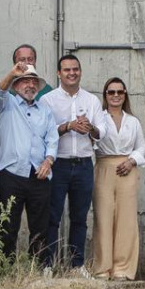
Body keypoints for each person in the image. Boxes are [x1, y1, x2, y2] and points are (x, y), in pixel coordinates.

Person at [0, 61, 57, 261]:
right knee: (8, 225)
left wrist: (48, 161)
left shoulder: (45, 110)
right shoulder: (7, 104)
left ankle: (37, 268)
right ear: (16, 85)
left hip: (38, 174)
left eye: (33, 82)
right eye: (24, 81)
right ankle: (6, 268)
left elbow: (52, 139)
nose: (30, 85)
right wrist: (12, 73)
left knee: (40, 227)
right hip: (12, 174)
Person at [42, 54, 102, 268]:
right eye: (67, 70)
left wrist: (90, 128)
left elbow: (100, 133)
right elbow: (43, 133)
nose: (72, 73)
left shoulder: (91, 100)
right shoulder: (48, 100)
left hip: (84, 164)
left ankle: (76, 266)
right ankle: (48, 265)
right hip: (58, 164)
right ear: (59, 73)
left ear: (80, 71)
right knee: (52, 217)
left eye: (75, 69)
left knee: (79, 219)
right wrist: (68, 126)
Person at [91, 77, 145, 280]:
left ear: (125, 95)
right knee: (103, 218)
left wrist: (132, 161)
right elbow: (94, 136)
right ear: (105, 95)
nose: (115, 96)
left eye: (119, 92)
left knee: (126, 219)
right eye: (111, 92)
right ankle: (102, 268)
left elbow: (142, 147)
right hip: (104, 167)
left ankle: (122, 268)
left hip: (127, 169)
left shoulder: (133, 121)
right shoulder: (99, 119)